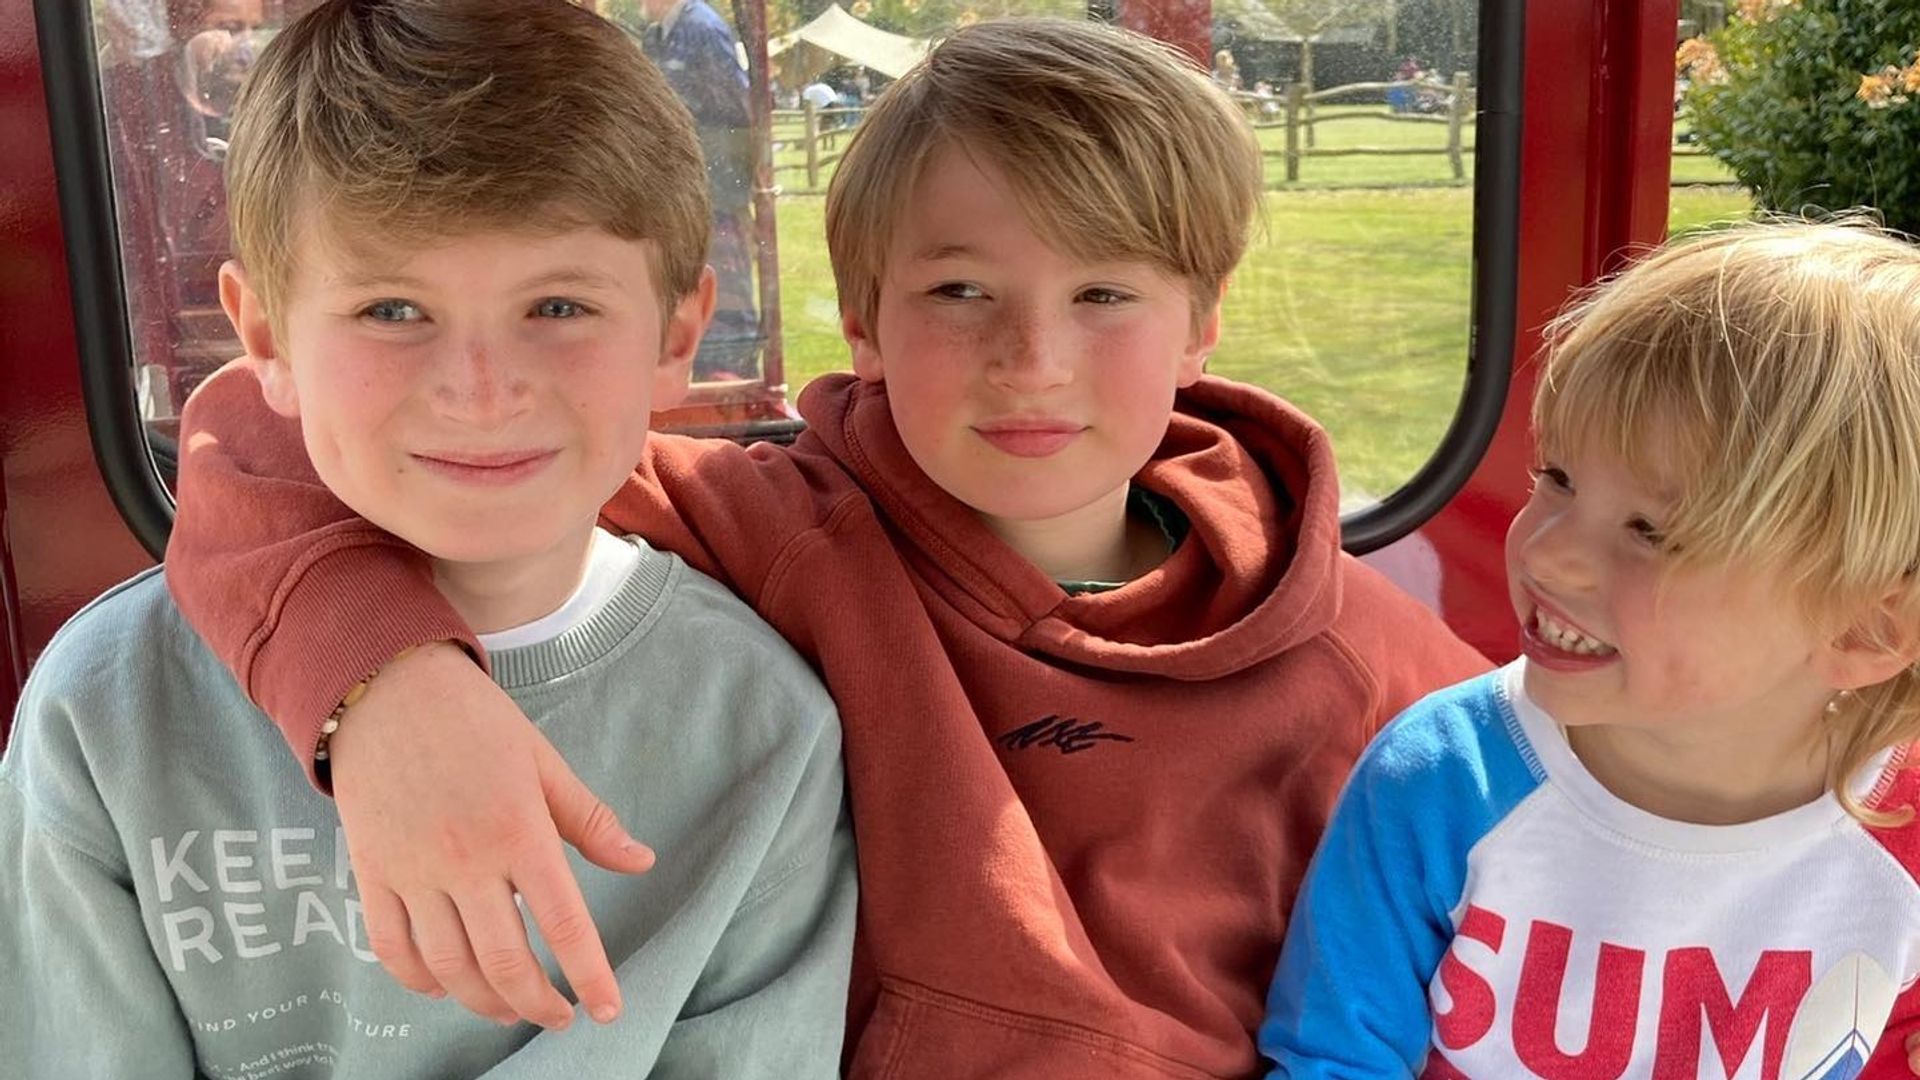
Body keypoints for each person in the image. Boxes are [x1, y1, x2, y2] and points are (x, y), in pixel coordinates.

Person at [161, 17, 1491, 1077]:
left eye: (1104, 293)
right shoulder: (788, 527)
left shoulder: (1361, 660)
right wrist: (381, 690)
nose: (1031, 358)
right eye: (959, 290)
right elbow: (262, 427)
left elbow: (1491, 931)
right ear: (862, 320)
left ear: (1200, 324)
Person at [0, 1, 854, 1075]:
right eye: (393, 311)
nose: (480, 391)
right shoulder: (107, 714)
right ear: (265, 336)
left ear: (678, 332)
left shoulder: (762, 728)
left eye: (557, 306)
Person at [1259, 222, 1920, 1075]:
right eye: (1558, 479)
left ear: (1864, 631)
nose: (1544, 552)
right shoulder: (1443, 779)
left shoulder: (1899, 839)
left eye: (1650, 530)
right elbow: (1336, 1056)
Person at [639, 0, 761, 378]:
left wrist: (732, 190)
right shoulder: (659, 34)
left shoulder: (701, 28)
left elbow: (732, 110)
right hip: (681, 189)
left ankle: (729, 371)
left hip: (713, 190)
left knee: (720, 283)